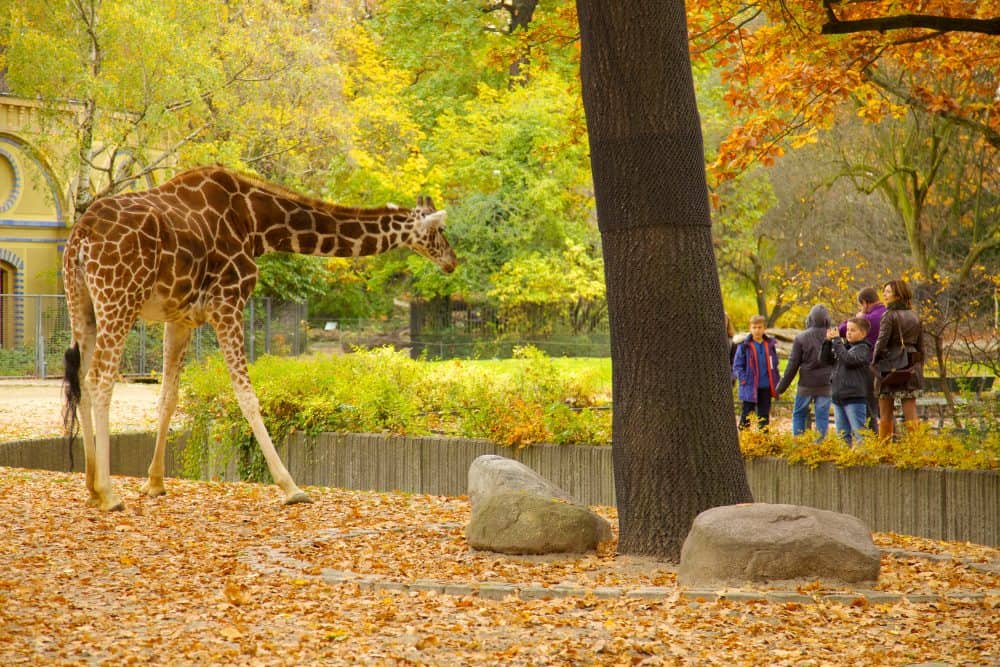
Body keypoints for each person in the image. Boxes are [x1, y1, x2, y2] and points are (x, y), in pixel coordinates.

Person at [872, 279, 924, 440]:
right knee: (910, 409)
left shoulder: (889, 315)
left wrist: (874, 362)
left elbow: (881, 342)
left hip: (890, 365)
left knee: (885, 410)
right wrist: (919, 366)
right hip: (911, 365)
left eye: (888, 292)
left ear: (898, 294)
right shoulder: (915, 316)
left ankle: (884, 449)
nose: (884, 295)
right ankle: (916, 448)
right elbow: (921, 346)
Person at [776, 304, 833, 438]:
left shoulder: (801, 338)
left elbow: (792, 365)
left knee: (799, 414)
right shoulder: (832, 335)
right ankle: (820, 447)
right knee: (822, 417)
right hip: (826, 384)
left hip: (806, 384)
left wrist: (781, 388)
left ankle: (799, 446)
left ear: (810, 319)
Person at [838, 287, 886, 429]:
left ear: (865, 303)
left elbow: (842, 330)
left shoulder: (867, 318)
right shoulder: (888, 314)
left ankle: (871, 439)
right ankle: (892, 440)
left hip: (869, 367)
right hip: (887, 367)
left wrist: (858, 317)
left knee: (869, 408)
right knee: (885, 409)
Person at [821, 317, 873, 445]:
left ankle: (866, 459)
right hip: (839, 397)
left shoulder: (863, 349)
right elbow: (824, 361)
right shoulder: (844, 347)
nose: (848, 333)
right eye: (848, 330)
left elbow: (849, 360)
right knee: (842, 436)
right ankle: (845, 460)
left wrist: (837, 341)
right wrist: (827, 342)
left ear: (863, 333)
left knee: (860, 435)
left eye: (853, 330)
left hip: (854, 398)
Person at [733, 315, 781, 430]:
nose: (757, 330)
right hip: (750, 387)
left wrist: (776, 381)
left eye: (760, 327)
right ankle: (744, 442)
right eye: (754, 327)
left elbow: (774, 365)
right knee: (746, 417)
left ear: (764, 328)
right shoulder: (744, 346)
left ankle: (763, 443)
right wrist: (744, 379)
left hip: (766, 387)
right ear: (750, 328)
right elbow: (737, 366)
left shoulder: (769, 345)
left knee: (764, 418)